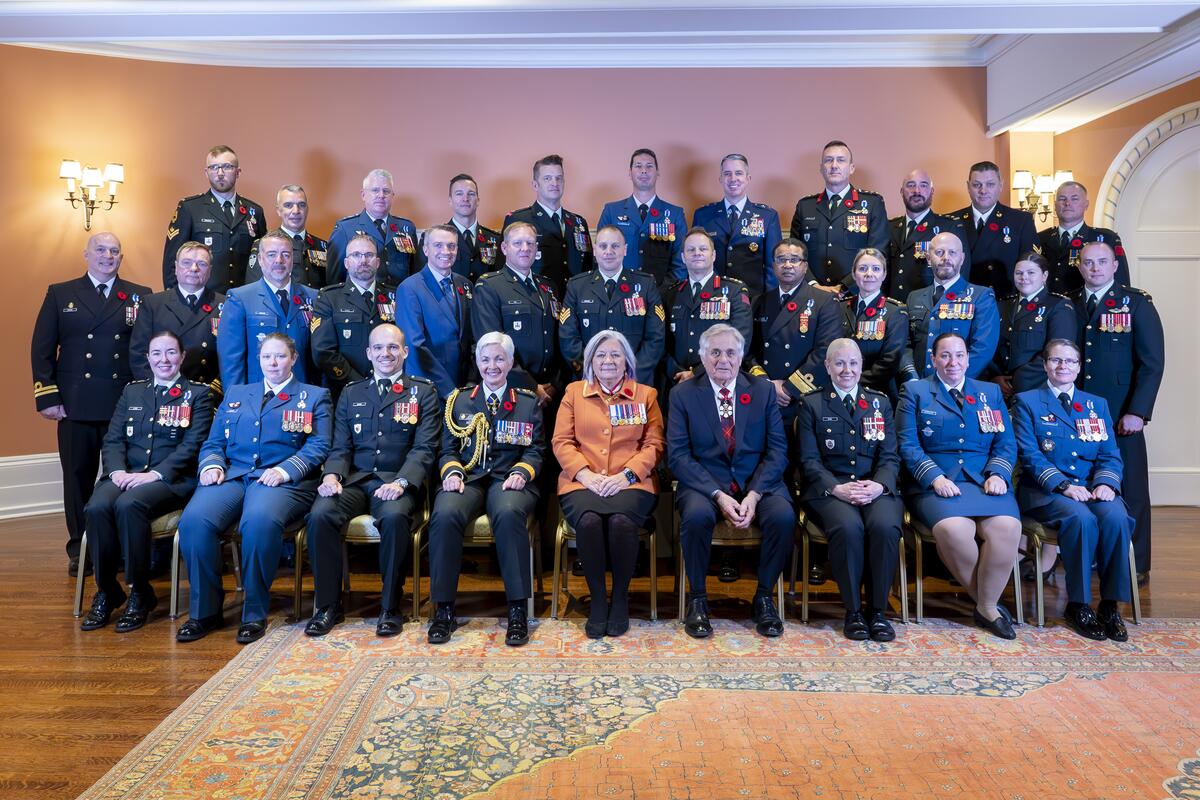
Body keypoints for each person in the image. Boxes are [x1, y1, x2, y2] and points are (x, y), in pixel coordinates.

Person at [176, 333, 332, 644]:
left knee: (257, 523)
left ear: (294, 359)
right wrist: (211, 465)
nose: (273, 363)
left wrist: (284, 470)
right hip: (234, 476)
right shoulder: (236, 394)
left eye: (280, 356)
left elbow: (319, 445)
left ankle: (254, 612)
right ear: (258, 360)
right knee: (194, 522)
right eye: (266, 357)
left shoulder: (314, 396)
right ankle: (205, 611)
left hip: (284, 481)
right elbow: (214, 442)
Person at [304, 325, 441, 638]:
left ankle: (390, 607)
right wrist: (331, 476)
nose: (385, 354)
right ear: (368, 353)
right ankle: (327, 606)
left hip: (396, 482)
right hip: (355, 480)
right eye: (378, 348)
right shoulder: (352, 393)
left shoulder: (423, 392)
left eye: (393, 348)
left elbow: (424, 448)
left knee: (394, 518)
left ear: (405, 352)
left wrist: (403, 482)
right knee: (320, 514)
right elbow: (341, 446)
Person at [31, 232, 152, 576]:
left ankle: (117, 545)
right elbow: (42, 349)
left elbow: (142, 350)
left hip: (122, 403)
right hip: (75, 404)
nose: (107, 256)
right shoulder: (61, 293)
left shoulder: (139, 296)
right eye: (100, 249)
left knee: (121, 478)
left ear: (121, 257)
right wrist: (47, 395)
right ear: (86, 254)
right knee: (78, 477)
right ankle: (79, 548)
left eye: (114, 251)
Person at [79, 331, 214, 632]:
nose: (163, 360)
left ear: (182, 356)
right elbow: (113, 439)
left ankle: (140, 591)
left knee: (129, 506)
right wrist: (117, 472)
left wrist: (153, 474)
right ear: (148, 357)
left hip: (170, 479)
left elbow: (192, 446)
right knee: (96, 508)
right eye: (156, 353)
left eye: (170, 353)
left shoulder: (199, 395)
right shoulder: (132, 392)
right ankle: (108, 590)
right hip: (126, 475)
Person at [667, 323, 791, 639]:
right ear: (702, 356)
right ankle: (698, 599)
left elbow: (777, 451)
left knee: (783, 516)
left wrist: (755, 494)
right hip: (704, 485)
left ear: (741, 356)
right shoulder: (683, 394)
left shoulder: (762, 391)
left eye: (731, 352)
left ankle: (764, 598)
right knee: (694, 517)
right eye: (716, 352)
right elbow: (679, 456)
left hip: (758, 483)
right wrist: (718, 494)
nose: (724, 360)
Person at [897, 332, 1021, 639]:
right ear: (934, 359)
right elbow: (908, 445)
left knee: (1006, 528)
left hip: (984, 481)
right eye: (946, 356)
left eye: (960, 355)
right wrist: (935, 477)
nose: (953, 362)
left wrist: (997, 474)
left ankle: (985, 606)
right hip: (936, 481)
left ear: (968, 358)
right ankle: (989, 606)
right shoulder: (915, 391)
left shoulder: (989, 393)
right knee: (955, 530)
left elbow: (1005, 443)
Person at [427, 332, 543, 647]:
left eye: (499, 359)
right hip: (469, 478)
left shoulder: (527, 402)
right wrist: (450, 472)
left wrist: (523, 471)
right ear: (477, 362)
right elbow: (447, 449)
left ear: (510, 362)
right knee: (445, 513)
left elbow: (536, 450)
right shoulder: (459, 400)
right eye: (485, 359)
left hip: (508, 478)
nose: (492, 366)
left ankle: (517, 610)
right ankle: (444, 610)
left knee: (507, 513)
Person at [1013, 339, 1134, 641]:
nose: (1062, 366)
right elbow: (1029, 455)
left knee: (1117, 518)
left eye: (1069, 362)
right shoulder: (1027, 401)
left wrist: (1106, 482)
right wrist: (1064, 486)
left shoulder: (1096, 404)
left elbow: (1109, 453)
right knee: (1081, 519)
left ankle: (1110, 605)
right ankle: (1078, 605)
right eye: (1056, 361)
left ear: (1079, 367)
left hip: (1093, 489)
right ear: (1045, 365)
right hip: (1046, 491)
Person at [552, 331, 665, 637]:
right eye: (600, 355)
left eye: (615, 354)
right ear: (590, 361)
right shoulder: (574, 392)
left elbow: (654, 445)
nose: (608, 361)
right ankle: (599, 601)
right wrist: (585, 475)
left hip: (631, 484)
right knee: (588, 523)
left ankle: (620, 600)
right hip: (581, 483)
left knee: (620, 523)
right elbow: (562, 442)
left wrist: (625, 476)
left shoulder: (646, 395)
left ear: (627, 361)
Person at [795, 338, 903, 642]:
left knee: (884, 526)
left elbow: (890, 456)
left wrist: (879, 486)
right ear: (827, 366)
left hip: (874, 486)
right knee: (848, 527)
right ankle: (853, 611)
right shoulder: (812, 403)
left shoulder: (879, 402)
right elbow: (809, 461)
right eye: (839, 363)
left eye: (853, 363)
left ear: (861, 366)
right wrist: (836, 488)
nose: (847, 369)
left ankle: (878, 611)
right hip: (830, 489)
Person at [1071, 241, 1163, 584]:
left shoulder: (1136, 303)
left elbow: (1152, 364)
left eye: (1101, 262)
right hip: (1078, 413)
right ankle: (1092, 557)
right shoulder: (1070, 303)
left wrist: (1138, 411)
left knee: (1132, 489)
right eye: (1088, 263)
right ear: (1080, 267)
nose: (1094, 268)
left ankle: (1137, 563)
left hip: (1120, 414)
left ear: (1114, 266)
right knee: (1084, 484)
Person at [748, 237, 847, 420]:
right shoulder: (759, 302)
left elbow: (826, 352)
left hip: (804, 399)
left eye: (794, 259)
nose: (787, 265)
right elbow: (748, 351)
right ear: (773, 265)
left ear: (805, 266)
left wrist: (788, 389)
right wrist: (766, 385)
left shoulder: (824, 301)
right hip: (766, 396)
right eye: (781, 259)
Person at [559, 225, 665, 385]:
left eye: (615, 246)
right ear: (594, 250)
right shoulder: (577, 286)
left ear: (625, 249)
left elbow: (655, 338)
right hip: (589, 381)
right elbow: (568, 337)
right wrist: (591, 372)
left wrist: (632, 374)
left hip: (635, 382)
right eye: (603, 246)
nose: (609, 251)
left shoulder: (645, 284)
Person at [471, 221, 562, 405]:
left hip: (551, 391)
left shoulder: (548, 287)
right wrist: (532, 387)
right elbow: (491, 347)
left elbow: (559, 339)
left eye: (530, 243)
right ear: (504, 248)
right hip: (512, 389)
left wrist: (555, 384)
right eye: (517, 243)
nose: (525, 248)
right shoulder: (489, 286)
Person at [216, 230, 319, 388]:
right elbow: (231, 360)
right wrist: (237, 402)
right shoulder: (240, 298)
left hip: (302, 396)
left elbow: (320, 356)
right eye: (271, 254)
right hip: (258, 397)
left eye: (286, 254)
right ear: (260, 259)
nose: (279, 260)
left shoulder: (313, 297)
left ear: (293, 259)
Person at [163, 144, 265, 292]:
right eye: (214, 167)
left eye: (227, 167)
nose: (220, 173)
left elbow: (263, 261)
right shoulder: (190, 208)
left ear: (238, 172)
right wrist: (174, 300)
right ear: (206, 172)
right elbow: (172, 261)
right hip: (204, 302)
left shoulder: (254, 212)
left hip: (244, 300)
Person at [790, 141, 889, 290]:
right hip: (812, 294)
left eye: (841, 160)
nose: (834, 165)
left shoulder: (872, 204)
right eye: (828, 160)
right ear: (821, 169)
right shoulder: (805, 206)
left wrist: (843, 287)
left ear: (851, 168)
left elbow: (878, 253)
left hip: (856, 293)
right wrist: (813, 285)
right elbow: (795, 253)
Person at [901, 232, 999, 382]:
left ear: (962, 258)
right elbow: (905, 344)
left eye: (952, 252)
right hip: (918, 386)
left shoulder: (981, 296)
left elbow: (983, 349)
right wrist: (912, 378)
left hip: (960, 389)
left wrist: (950, 382)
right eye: (939, 252)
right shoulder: (914, 297)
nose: (946, 258)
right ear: (928, 258)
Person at [130, 241, 224, 393]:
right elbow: (139, 354)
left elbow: (232, 355)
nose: (194, 269)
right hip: (162, 394)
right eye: (187, 263)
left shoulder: (225, 304)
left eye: (202, 264)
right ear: (176, 267)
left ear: (210, 270)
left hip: (207, 393)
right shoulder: (153, 304)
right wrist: (158, 391)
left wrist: (213, 392)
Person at [662, 227, 753, 383]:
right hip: (677, 381)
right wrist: (677, 372)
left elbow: (740, 339)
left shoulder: (734, 291)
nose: (697, 253)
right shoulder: (671, 293)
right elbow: (662, 342)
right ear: (683, 257)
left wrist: (697, 373)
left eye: (703, 249)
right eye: (691, 250)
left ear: (714, 255)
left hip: (718, 379)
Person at [310, 233, 398, 394]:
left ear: (377, 262)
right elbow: (322, 352)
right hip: (345, 390)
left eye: (369, 255)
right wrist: (358, 384)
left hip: (390, 389)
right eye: (356, 255)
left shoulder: (395, 296)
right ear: (346, 263)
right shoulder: (329, 298)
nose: (363, 260)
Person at [396, 224, 475, 398]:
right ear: (425, 249)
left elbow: (471, 338)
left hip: (465, 388)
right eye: (438, 245)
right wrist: (448, 390)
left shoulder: (465, 285)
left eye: (451, 246)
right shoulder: (409, 288)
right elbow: (415, 346)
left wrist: (470, 382)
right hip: (429, 389)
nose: (446, 251)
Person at [691, 153, 782, 298]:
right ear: (720, 179)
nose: (733, 179)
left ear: (748, 178)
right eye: (727, 174)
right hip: (711, 297)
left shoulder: (767, 217)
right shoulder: (703, 216)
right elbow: (694, 262)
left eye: (738, 173)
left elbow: (773, 266)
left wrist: (769, 303)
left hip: (752, 300)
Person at [988, 251, 1076, 399]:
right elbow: (990, 344)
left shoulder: (1058, 306)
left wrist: (1019, 380)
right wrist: (995, 376)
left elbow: (1058, 353)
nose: (1024, 278)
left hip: (1038, 390)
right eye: (1019, 273)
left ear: (1044, 276)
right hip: (998, 390)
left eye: (1031, 272)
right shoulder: (1002, 305)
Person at [503, 154, 594, 295]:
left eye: (559, 178)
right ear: (535, 185)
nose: (554, 183)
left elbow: (588, 268)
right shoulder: (519, 220)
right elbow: (504, 269)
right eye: (547, 178)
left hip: (575, 301)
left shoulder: (578, 222)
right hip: (535, 300)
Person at [947, 160, 1037, 296]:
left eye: (990, 184)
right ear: (968, 187)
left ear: (1000, 186)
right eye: (977, 185)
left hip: (1003, 301)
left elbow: (1032, 268)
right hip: (960, 300)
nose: (983, 190)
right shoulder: (951, 221)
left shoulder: (1020, 220)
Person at [596, 148, 686, 283]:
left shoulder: (674, 214)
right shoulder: (611, 211)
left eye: (649, 166)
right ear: (630, 173)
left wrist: (663, 291)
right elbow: (600, 256)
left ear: (658, 172)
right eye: (638, 166)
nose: (644, 170)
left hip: (661, 295)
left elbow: (682, 261)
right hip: (620, 293)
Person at [885, 169, 971, 299]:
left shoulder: (948, 226)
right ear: (902, 192)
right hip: (893, 308)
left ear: (932, 192)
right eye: (911, 185)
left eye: (923, 185)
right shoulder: (889, 227)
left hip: (929, 307)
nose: (917, 191)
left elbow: (960, 272)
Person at [326, 169, 419, 285]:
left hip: (400, 298)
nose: (381, 195)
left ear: (392, 196)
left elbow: (415, 273)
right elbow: (334, 279)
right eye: (375, 190)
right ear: (363, 195)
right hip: (361, 300)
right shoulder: (345, 229)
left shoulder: (406, 228)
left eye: (386, 191)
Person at [1037, 181, 1130, 295]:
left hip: (1087, 308)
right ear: (1055, 205)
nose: (1067, 203)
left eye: (1074, 199)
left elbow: (1121, 281)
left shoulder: (1106, 238)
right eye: (1062, 199)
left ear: (1086, 204)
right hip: (1049, 309)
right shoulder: (1040, 238)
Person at [843, 249, 909, 397]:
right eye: (862, 268)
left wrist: (853, 381)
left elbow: (890, 361)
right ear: (853, 274)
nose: (869, 274)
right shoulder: (839, 307)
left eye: (876, 269)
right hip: (838, 389)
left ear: (884, 275)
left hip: (877, 392)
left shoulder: (895, 312)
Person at [418, 173, 503, 282]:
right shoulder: (432, 237)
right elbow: (421, 279)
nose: (465, 199)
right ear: (450, 200)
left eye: (471, 194)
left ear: (478, 200)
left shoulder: (494, 239)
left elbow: (500, 277)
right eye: (459, 194)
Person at [248, 184, 329, 288]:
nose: (296, 211)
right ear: (278, 210)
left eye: (301, 205)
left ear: (307, 209)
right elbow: (254, 289)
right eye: (288, 205)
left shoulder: (322, 246)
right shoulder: (264, 245)